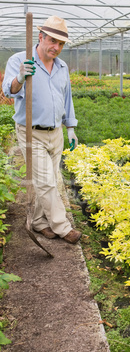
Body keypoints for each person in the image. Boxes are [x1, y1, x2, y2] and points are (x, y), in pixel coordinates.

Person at [3, 15, 81, 244]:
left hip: (55, 132)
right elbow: (9, 91)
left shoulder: (62, 66)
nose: (56, 47)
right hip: (30, 131)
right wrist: (20, 77)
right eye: (52, 41)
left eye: (61, 44)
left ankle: (38, 221)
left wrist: (70, 128)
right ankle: (62, 226)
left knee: (47, 179)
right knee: (47, 180)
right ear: (41, 37)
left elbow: (67, 98)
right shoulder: (20, 60)